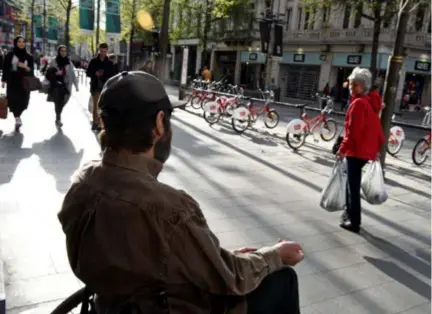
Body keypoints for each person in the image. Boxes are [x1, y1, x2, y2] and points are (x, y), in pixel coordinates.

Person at [58, 71, 304, 314]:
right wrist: (274, 255)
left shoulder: (82, 183)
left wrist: (214, 257)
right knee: (282, 279)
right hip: (172, 306)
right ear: (159, 123)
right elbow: (231, 278)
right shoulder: (168, 208)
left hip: (108, 306)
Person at [336, 67, 384, 233]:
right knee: (352, 185)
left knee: (352, 187)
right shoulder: (369, 102)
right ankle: (350, 214)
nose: (351, 86)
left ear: (363, 87)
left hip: (356, 151)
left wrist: (342, 149)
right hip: (365, 150)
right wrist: (376, 149)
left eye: (355, 84)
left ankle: (354, 221)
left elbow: (353, 132)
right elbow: (376, 128)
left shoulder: (358, 104)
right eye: (350, 83)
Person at [1, 36, 34, 131]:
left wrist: (25, 67)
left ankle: (18, 116)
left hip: (25, 81)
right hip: (13, 81)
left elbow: (31, 71)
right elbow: (6, 68)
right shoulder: (10, 55)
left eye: (23, 42)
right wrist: (3, 80)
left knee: (24, 101)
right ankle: (17, 118)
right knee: (12, 100)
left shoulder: (29, 56)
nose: (21, 43)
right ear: (15, 43)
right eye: (19, 41)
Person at [45, 45, 79, 127]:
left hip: (66, 85)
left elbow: (73, 74)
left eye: (65, 51)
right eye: (61, 51)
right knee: (58, 101)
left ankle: (58, 114)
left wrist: (76, 85)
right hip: (56, 84)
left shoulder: (69, 62)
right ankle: (58, 119)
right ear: (58, 52)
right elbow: (47, 72)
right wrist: (55, 73)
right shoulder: (54, 61)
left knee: (63, 101)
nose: (63, 52)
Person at [86, 43, 116, 131]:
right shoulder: (93, 61)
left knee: (104, 106)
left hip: (106, 87)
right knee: (96, 105)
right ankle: (96, 122)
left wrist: (104, 74)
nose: (103, 53)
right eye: (102, 51)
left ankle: (101, 122)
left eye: (105, 51)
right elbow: (88, 73)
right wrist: (95, 73)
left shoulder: (110, 63)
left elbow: (113, 75)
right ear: (99, 50)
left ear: (107, 51)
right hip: (96, 86)